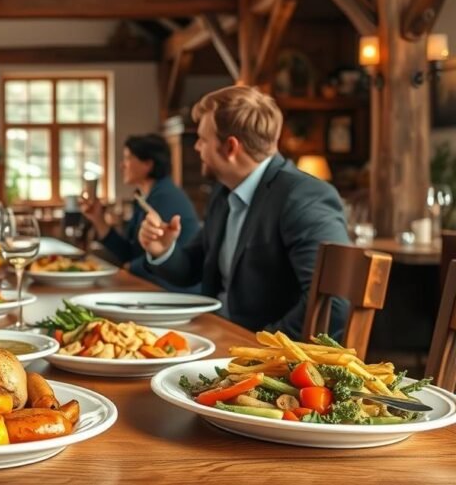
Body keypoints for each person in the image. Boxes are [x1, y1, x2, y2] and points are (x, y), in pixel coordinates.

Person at [139, 85, 350, 338]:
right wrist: (162, 251)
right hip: (217, 334)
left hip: (263, 355)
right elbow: (191, 270)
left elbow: (332, 304)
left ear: (230, 147)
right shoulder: (223, 191)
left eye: (203, 139)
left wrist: (258, 348)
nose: (197, 147)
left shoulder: (303, 197)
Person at [81, 134, 200, 293]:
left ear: (147, 164)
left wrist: (129, 267)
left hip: (172, 291)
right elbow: (129, 253)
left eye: (128, 158)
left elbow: (144, 260)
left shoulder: (166, 197)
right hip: (153, 286)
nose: (122, 165)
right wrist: (98, 220)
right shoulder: (145, 198)